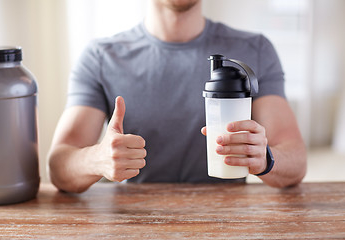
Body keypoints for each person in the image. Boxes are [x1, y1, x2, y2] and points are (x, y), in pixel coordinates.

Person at [48, 0, 307, 193]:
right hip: (138, 221)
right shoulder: (100, 57)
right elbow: (59, 166)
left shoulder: (256, 50)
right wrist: (97, 159)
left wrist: (265, 158)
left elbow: (295, 159)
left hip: (230, 218)